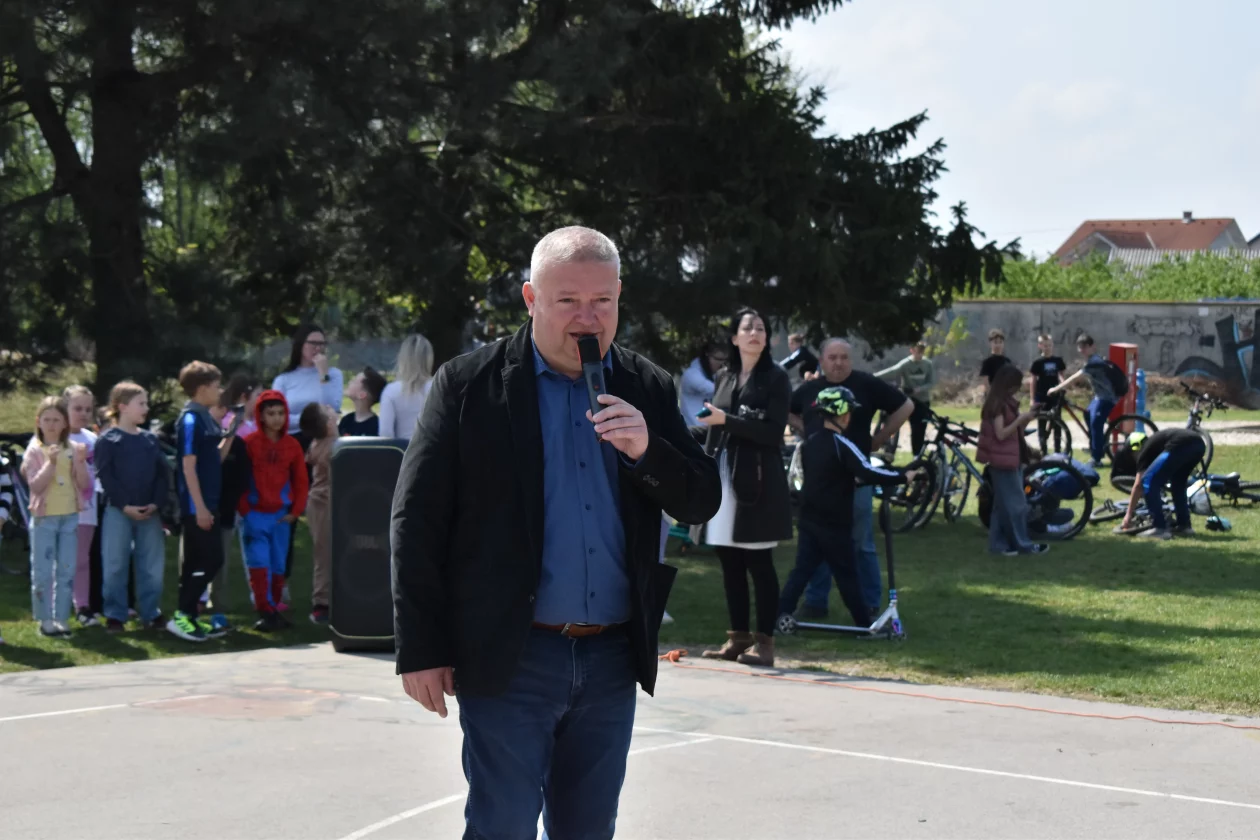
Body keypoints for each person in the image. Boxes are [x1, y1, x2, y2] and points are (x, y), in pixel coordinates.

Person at [391, 226, 721, 838]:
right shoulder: (470, 386)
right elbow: (417, 521)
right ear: (530, 299)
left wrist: (648, 451)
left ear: (621, 298)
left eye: (603, 301)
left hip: (612, 657)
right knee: (503, 825)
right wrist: (421, 647)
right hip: (514, 655)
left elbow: (700, 499)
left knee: (589, 829)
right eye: (567, 300)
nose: (587, 318)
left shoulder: (645, 385)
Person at [694, 307, 793, 668]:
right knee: (729, 561)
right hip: (722, 479)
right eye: (747, 328)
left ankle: (765, 644)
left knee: (759, 563)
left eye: (761, 328)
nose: (755, 333)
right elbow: (713, 426)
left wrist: (727, 421)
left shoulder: (775, 378)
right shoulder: (725, 375)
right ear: (735, 337)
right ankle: (738, 638)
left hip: (757, 483)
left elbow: (772, 431)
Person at [789, 339, 913, 619]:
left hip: (856, 478)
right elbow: (786, 410)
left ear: (851, 360)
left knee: (860, 542)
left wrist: (878, 439)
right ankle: (814, 603)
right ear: (821, 361)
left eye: (844, 357)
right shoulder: (809, 389)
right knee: (816, 544)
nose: (838, 362)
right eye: (832, 357)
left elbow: (905, 407)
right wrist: (806, 429)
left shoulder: (866, 384)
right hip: (819, 483)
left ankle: (868, 601)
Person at [95, 382, 169, 634]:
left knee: (151, 566)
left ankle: (151, 613)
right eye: (142, 403)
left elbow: (161, 475)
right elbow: (106, 477)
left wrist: (156, 504)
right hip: (119, 512)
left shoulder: (149, 440)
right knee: (115, 564)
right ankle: (115, 615)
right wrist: (124, 505)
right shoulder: (108, 440)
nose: (146, 408)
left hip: (150, 513)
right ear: (123, 407)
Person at [170, 361, 236, 642]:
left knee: (199, 561)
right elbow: (188, 467)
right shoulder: (189, 420)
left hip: (210, 502)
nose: (219, 390)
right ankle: (182, 615)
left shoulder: (207, 418)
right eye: (216, 385)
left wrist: (231, 432)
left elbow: (216, 459)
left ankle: (189, 617)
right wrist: (199, 508)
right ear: (202, 388)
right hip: (198, 506)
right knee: (211, 559)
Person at [239, 390, 309, 632]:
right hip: (255, 514)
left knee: (279, 565)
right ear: (261, 415)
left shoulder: (292, 446)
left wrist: (295, 511)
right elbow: (240, 480)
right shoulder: (249, 444)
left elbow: (301, 481)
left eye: (281, 413)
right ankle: (264, 610)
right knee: (259, 563)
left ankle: (274, 608)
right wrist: (245, 509)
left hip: (281, 516)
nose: (277, 418)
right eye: (271, 414)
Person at [21, 397, 91, 638]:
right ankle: (44, 619)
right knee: (42, 571)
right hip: (44, 518)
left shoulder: (72, 449)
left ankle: (62, 618)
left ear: (65, 424)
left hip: (69, 517)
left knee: (66, 569)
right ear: (38, 422)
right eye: (46, 420)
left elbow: (84, 484)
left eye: (56, 420)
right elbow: (35, 485)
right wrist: (50, 463)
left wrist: (81, 462)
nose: (51, 425)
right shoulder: (34, 450)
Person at [976, 364, 1048, 556]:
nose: (1018, 388)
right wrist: (1019, 419)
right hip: (1003, 463)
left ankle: (998, 546)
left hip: (1009, 459)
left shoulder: (1005, 402)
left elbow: (1015, 433)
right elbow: (1001, 434)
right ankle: (1023, 545)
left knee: (1001, 508)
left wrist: (1027, 418)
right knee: (1017, 506)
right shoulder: (998, 405)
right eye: (1016, 384)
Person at [200, 396, 251, 621]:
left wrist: (231, 504)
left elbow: (241, 479)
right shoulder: (201, 439)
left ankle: (217, 603)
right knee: (198, 557)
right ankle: (196, 600)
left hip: (226, 511)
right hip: (200, 508)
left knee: (220, 559)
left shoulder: (238, 445)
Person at [61, 385, 102, 628]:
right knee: (60, 559)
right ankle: (57, 606)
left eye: (88, 409)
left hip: (86, 510)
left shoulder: (93, 439)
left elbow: (96, 474)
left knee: (82, 559)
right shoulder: (54, 436)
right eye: (77, 408)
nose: (83, 413)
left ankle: (83, 606)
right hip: (59, 509)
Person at [1120, 429, 1207, 540]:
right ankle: (1184, 526)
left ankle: (1159, 528)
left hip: (1180, 445)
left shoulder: (1144, 454)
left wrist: (1128, 514)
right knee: (1178, 483)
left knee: (1148, 481)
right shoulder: (1154, 445)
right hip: (1199, 444)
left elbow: (1138, 485)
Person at [1048, 334, 1114, 467]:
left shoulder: (1094, 362)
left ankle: (1097, 458)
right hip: (1100, 397)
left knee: (1096, 423)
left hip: (1108, 398)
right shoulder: (1091, 360)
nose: (1081, 350)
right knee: (1087, 413)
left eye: (1084, 347)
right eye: (1080, 347)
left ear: (1092, 347)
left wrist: (1057, 388)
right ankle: (1094, 445)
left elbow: (1076, 377)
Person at [300, 402, 337, 624]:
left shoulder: (321, 443)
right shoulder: (331, 446)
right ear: (328, 423)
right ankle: (321, 604)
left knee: (326, 552)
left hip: (323, 503)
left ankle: (331, 598)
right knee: (324, 554)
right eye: (329, 411)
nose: (333, 410)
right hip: (324, 503)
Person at [875, 339, 935, 455]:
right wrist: (872, 377)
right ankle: (887, 449)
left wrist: (919, 389)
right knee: (891, 422)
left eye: (922, 351)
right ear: (912, 350)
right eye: (918, 350)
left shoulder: (928, 364)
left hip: (922, 401)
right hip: (908, 401)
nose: (920, 353)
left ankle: (916, 457)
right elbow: (892, 372)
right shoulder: (906, 364)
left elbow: (931, 382)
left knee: (919, 430)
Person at [379, 334, 435, 439]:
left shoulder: (391, 391)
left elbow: (385, 433)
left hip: (402, 452)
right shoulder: (440, 389)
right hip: (434, 452)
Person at [1028, 333, 1066, 454]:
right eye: (1045, 345)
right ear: (1040, 346)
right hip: (1042, 397)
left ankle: (1057, 451)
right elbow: (1033, 381)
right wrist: (1032, 399)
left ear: (1052, 345)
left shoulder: (1058, 361)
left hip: (1055, 397)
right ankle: (1043, 451)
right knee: (1042, 424)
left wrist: (1063, 385)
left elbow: (1061, 375)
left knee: (1057, 424)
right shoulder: (1037, 363)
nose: (1047, 347)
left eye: (1049, 345)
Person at [678, 340, 727, 420]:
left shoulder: (713, 374)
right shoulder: (692, 374)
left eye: (725, 360)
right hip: (692, 430)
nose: (722, 364)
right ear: (707, 356)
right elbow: (717, 391)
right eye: (718, 359)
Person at [339, 366, 387, 437]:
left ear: (362, 395)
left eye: (354, 381)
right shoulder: (346, 420)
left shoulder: (375, 426)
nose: (349, 382)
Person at [221, 374, 261, 439]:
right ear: (244, 397)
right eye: (258, 395)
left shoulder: (261, 420)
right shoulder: (227, 422)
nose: (261, 398)